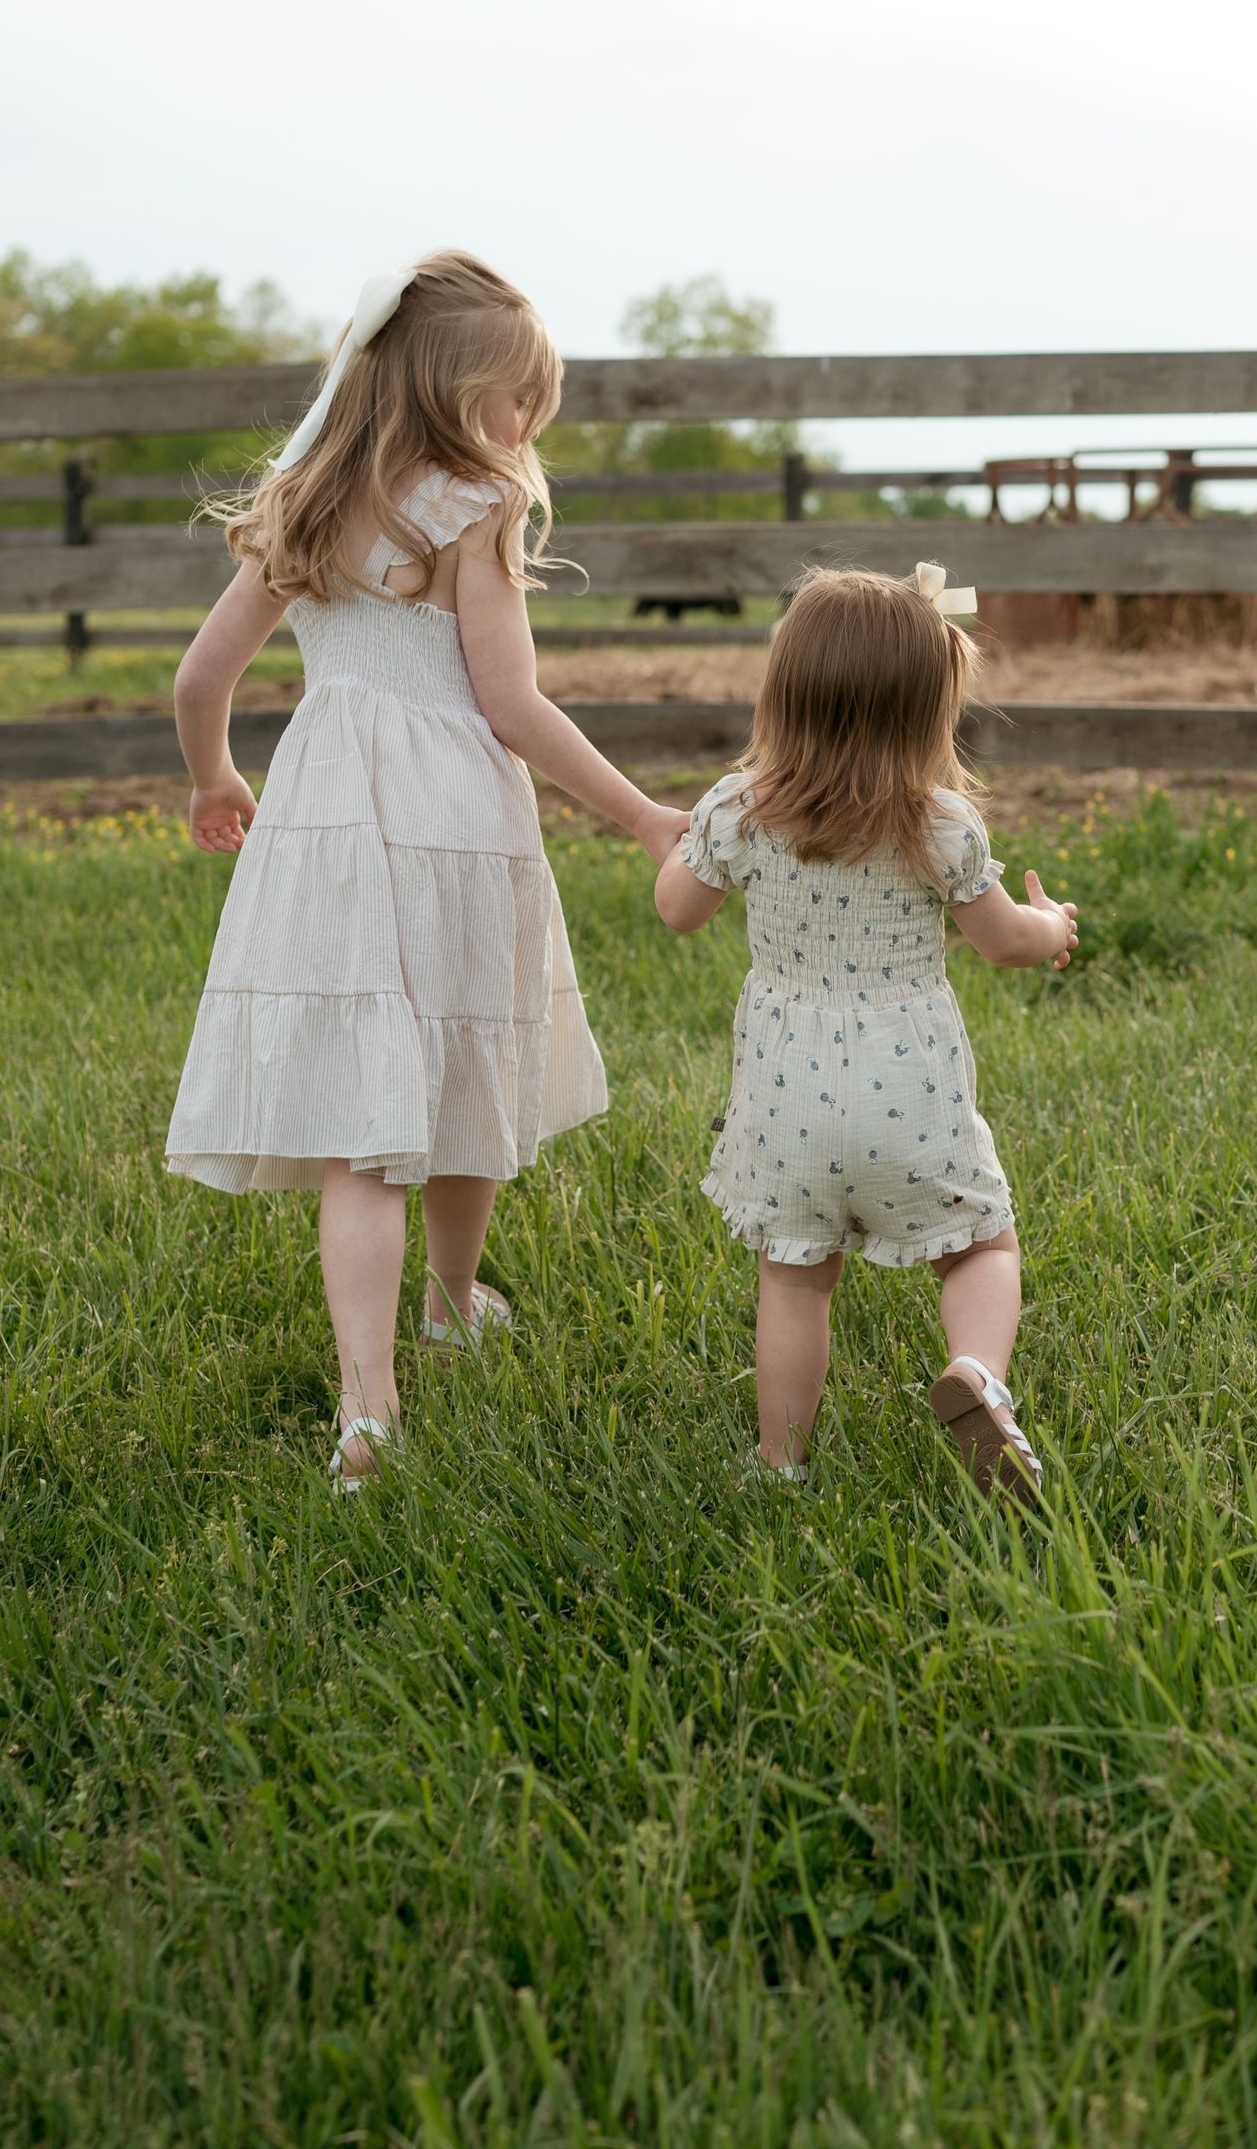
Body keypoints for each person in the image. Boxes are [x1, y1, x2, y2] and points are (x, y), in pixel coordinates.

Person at [166, 252, 689, 1487]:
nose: (528, 430)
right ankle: (449, 1302)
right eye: (520, 403)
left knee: (364, 1129)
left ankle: (368, 1409)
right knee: (464, 1062)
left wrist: (214, 778)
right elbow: (512, 706)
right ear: (459, 396)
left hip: (327, 830)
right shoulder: (474, 506)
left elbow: (201, 680)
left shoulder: (301, 501)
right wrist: (643, 815)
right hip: (455, 821)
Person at [654, 563, 1077, 1509]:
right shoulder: (941, 826)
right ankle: (977, 1376)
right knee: (979, 1247)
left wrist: (677, 851)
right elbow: (1008, 942)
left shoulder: (738, 810)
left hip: (785, 1099)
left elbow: (677, 910)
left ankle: (780, 1466)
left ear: (785, 691)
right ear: (930, 711)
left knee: (795, 1279)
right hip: (909, 1094)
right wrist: (1056, 925)